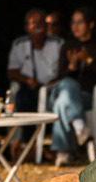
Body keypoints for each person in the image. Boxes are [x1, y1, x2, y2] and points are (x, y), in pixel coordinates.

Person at [49, 7, 96, 167]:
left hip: (87, 97)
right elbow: (60, 78)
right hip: (62, 93)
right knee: (68, 85)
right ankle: (79, 126)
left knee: (62, 103)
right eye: (73, 23)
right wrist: (71, 66)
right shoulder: (68, 46)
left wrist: (89, 61)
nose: (75, 26)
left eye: (80, 22)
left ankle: (63, 153)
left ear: (90, 24)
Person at [7, 8, 63, 145]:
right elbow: (11, 72)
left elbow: (65, 70)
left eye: (41, 22)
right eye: (33, 23)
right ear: (26, 27)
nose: (37, 26)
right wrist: (27, 80)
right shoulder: (19, 44)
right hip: (30, 88)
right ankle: (29, 144)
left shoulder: (58, 43)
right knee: (22, 98)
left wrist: (55, 81)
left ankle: (56, 146)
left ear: (46, 26)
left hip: (53, 89)